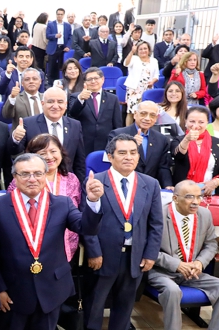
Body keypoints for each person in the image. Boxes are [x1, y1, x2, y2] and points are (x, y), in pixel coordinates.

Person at [0, 153, 102, 329]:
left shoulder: (62, 204)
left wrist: (93, 201)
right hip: (12, 293)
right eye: (24, 174)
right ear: (15, 177)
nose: (32, 179)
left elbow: (86, 228)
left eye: (38, 173)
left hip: (52, 289)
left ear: (45, 175)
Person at [83, 134, 164, 330]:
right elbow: (87, 221)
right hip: (103, 256)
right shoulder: (96, 181)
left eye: (133, 152)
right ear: (110, 157)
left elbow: (156, 224)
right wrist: (94, 252)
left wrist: (150, 254)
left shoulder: (150, 184)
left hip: (135, 256)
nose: (129, 157)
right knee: (94, 305)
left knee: (125, 306)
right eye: (122, 153)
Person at [149, 180, 219, 329]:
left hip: (192, 272)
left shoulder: (205, 214)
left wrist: (200, 262)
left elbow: (211, 244)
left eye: (199, 197)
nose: (195, 202)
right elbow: (147, 249)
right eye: (189, 197)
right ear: (175, 198)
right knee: (173, 291)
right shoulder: (158, 215)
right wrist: (177, 265)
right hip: (162, 272)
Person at [7, 133, 87, 259]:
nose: (49, 157)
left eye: (53, 151)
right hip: (29, 248)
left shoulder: (72, 179)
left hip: (65, 249)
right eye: (42, 153)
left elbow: (79, 215)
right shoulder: (21, 180)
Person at [12, 87, 87, 182]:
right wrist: (16, 138)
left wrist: (81, 187)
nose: (55, 106)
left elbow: (79, 161)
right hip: (36, 181)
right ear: (42, 104)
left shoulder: (75, 125)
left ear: (66, 105)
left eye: (60, 102)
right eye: (51, 102)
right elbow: (14, 151)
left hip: (67, 182)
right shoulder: (28, 123)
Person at [108, 101, 173, 189]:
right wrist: (131, 145)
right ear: (135, 114)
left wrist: (167, 185)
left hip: (149, 187)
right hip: (123, 185)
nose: (147, 118)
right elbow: (111, 160)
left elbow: (163, 167)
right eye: (143, 114)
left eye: (152, 115)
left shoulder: (161, 139)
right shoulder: (117, 134)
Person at [170, 106, 219, 198]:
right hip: (184, 192)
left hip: (211, 193)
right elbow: (178, 155)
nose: (196, 125)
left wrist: (215, 182)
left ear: (207, 123)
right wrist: (187, 140)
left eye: (201, 122)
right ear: (185, 122)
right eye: (192, 121)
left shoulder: (218, 143)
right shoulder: (178, 140)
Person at [68, 67, 124, 154]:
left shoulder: (113, 98)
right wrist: (80, 99)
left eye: (96, 78)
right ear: (85, 82)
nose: (93, 81)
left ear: (102, 79)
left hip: (106, 144)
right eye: (89, 79)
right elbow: (71, 115)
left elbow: (117, 124)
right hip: (83, 144)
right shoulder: (76, 97)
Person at [123, 40, 159, 125]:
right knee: (132, 111)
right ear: (137, 51)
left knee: (145, 111)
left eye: (145, 48)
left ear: (149, 50)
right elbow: (126, 64)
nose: (143, 51)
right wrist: (132, 52)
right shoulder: (134, 58)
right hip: (134, 89)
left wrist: (153, 81)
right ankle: (128, 131)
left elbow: (156, 75)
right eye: (141, 49)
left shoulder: (154, 60)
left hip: (147, 89)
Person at [45, 8, 72, 83]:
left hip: (63, 48)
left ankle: (59, 82)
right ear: (56, 15)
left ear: (63, 15)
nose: (59, 16)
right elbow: (47, 35)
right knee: (51, 67)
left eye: (61, 14)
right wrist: (55, 35)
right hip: (53, 48)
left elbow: (70, 37)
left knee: (61, 67)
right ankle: (50, 84)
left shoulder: (67, 25)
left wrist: (68, 46)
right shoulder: (51, 24)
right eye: (58, 14)